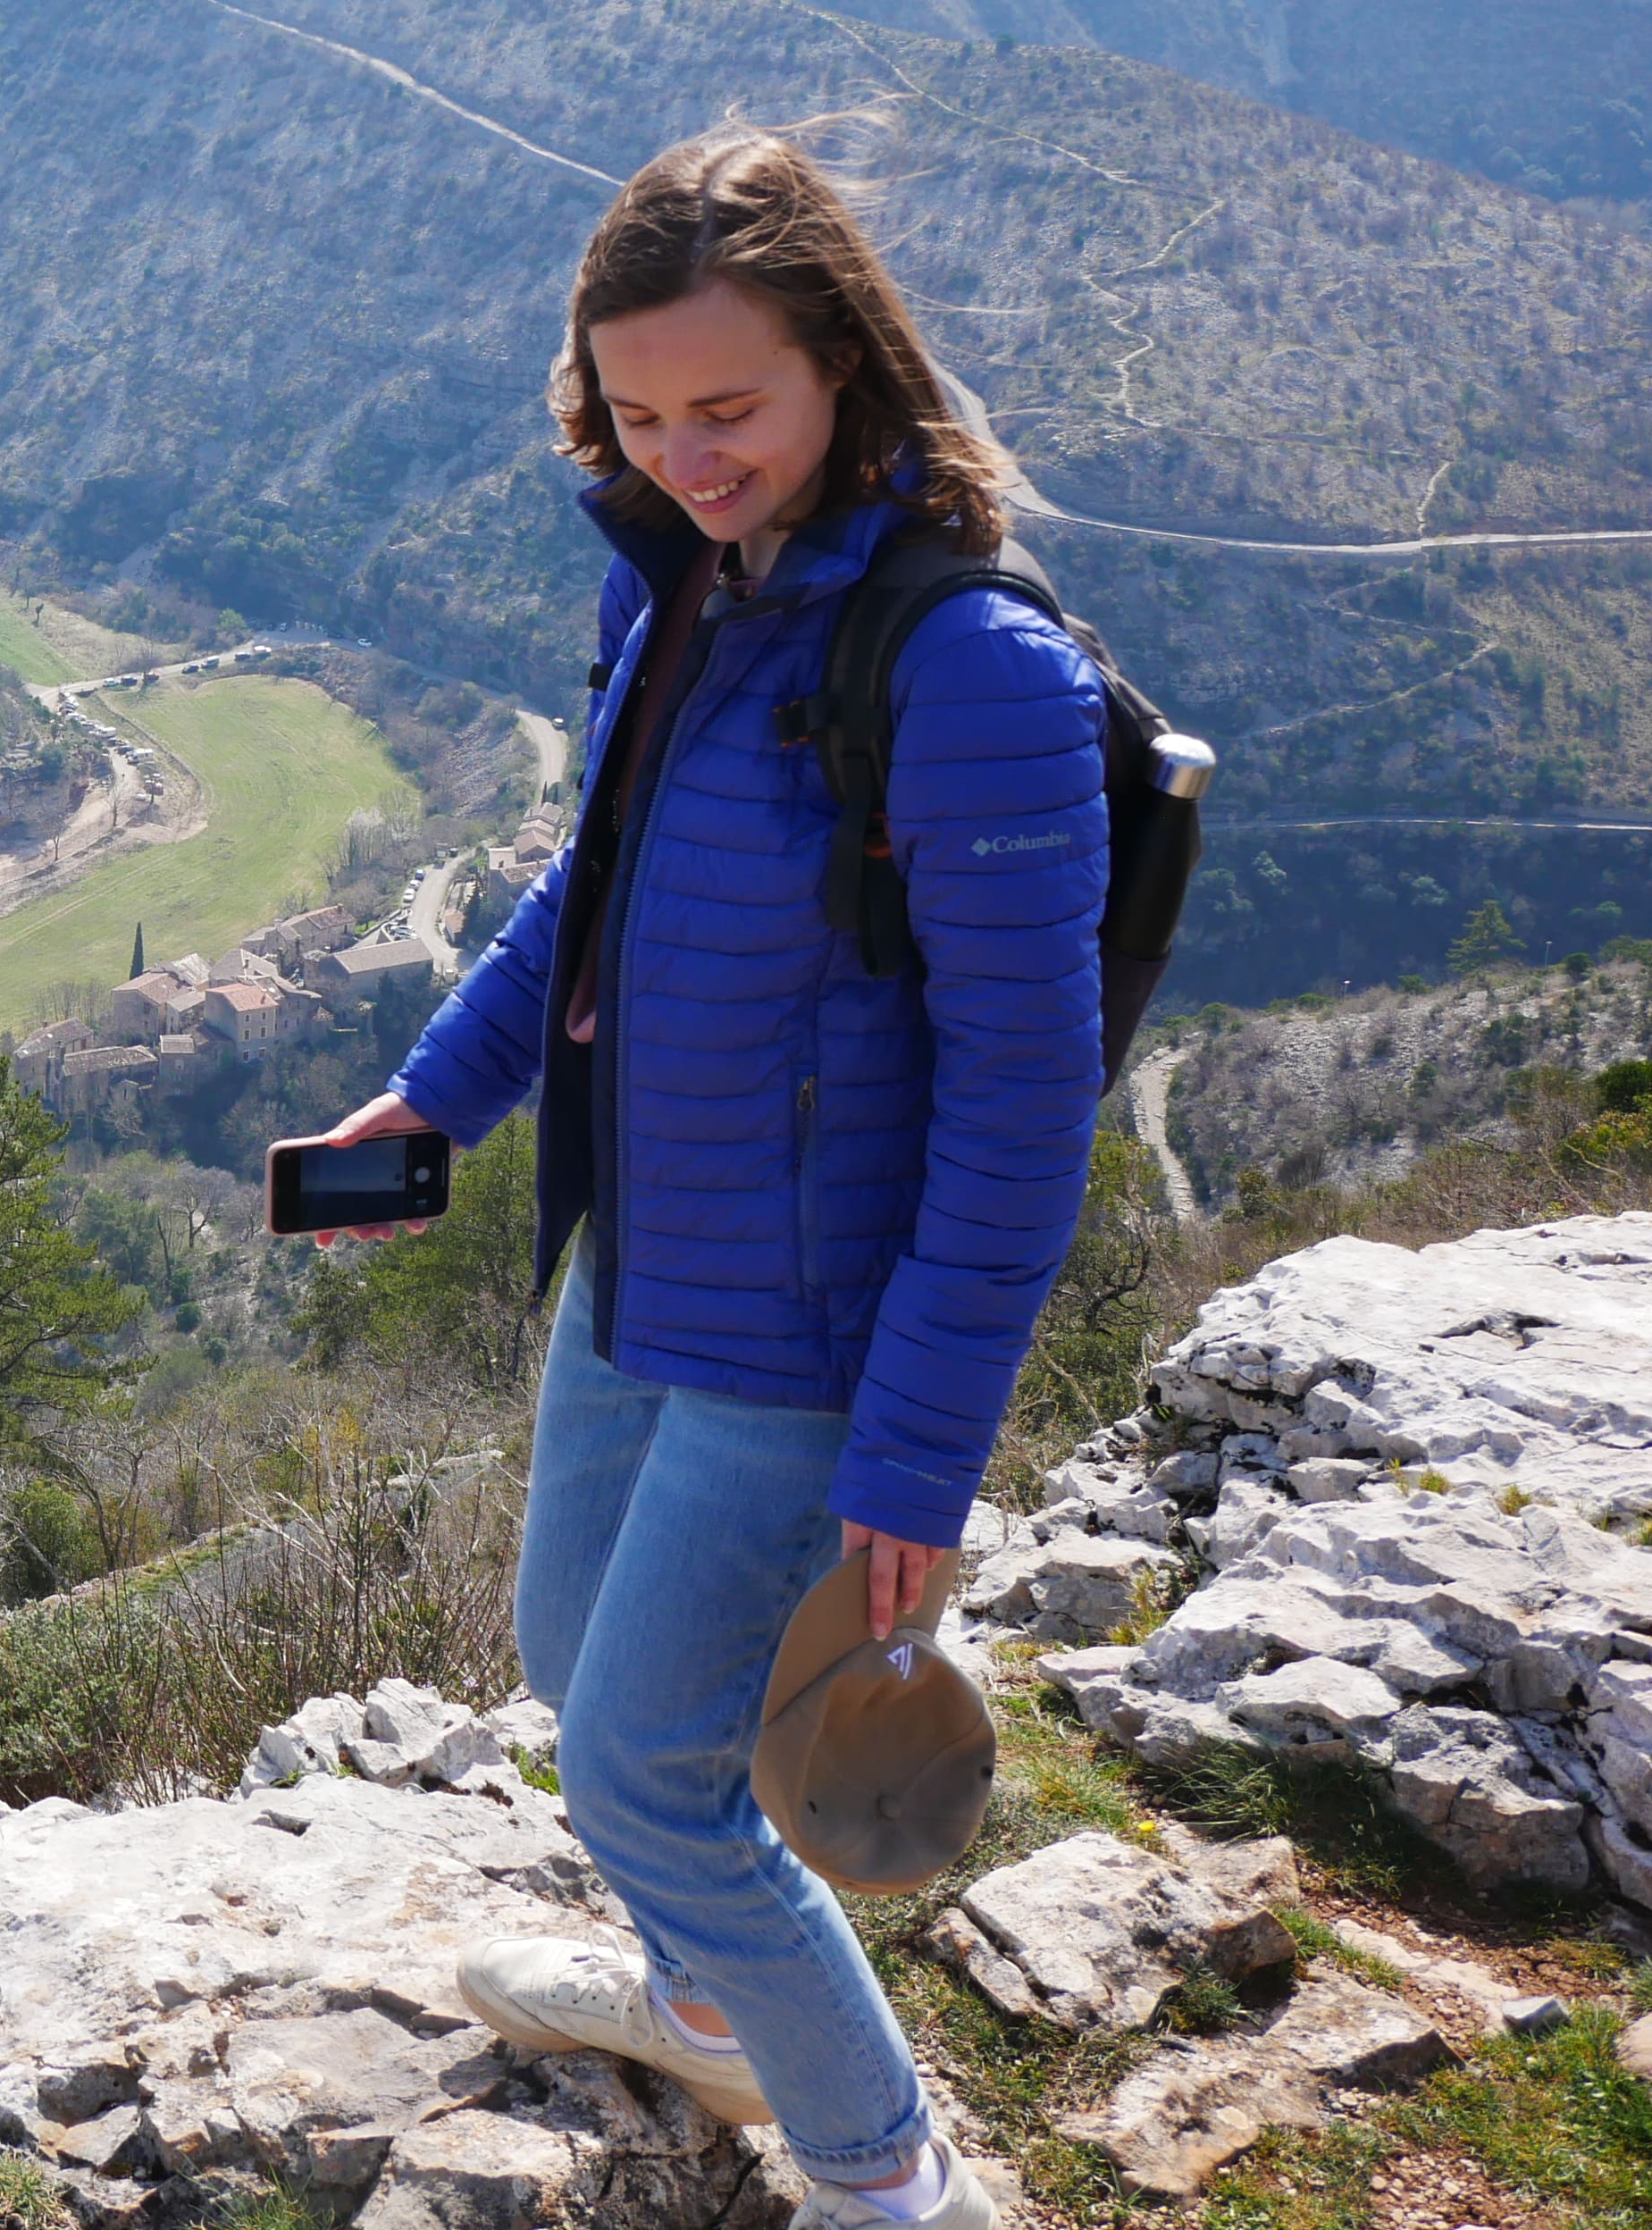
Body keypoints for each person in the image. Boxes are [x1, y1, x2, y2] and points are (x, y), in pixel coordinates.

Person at [312, 123, 1106, 2230]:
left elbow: (1029, 1105)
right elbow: (600, 887)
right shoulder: (674, 582)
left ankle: (885, 2179)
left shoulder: (967, 671)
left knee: (646, 1777)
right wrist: (433, 1101)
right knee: (577, 1662)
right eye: (637, 411)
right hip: (641, 1265)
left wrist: (921, 1458)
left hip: (815, 1341)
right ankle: (715, 2005)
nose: (682, 451)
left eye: (727, 406)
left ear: (846, 356)